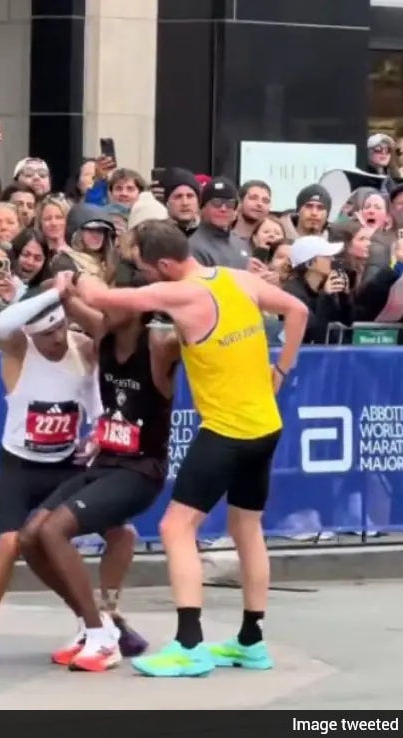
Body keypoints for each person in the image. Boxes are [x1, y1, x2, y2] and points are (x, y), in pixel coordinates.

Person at [73, 220, 308, 678]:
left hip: (226, 431)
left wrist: (73, 268)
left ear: (163, 264)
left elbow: (100, 300)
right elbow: (297, 310)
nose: (141, 275)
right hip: (265, 426)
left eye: (141, 267)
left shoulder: (180, 293)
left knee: (176, 527)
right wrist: (280, 372)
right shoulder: (236, 278)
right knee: (247, 530)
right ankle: (251, 641)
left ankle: (189, 645)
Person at [16, 271, 179, 672]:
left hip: (142, 469)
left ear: (138, 307)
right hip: (105, 461)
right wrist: (66, 283)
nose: (104, 304)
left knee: (55, 531)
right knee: (29, 537)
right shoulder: (104, 335)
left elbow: (200, 327)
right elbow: (71, 300)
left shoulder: (159, 346)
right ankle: (95, 626)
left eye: (114, 298)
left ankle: (102, 637)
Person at [0, 288, 124, 664]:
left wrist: (99, 434)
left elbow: (98, 397)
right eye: (47, 334)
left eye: (61, 329)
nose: (56, 341)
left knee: (121, 533)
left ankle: (110, 616)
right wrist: (57, 290)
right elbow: (1, 322)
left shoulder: (82, 348)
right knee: (9, 545)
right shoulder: (19, 351)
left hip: (65, 464)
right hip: (20, 465)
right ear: (31, 334)